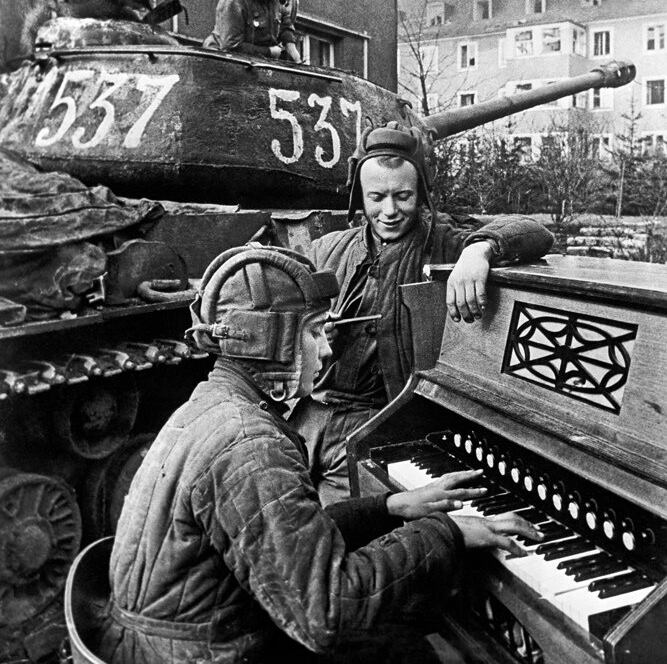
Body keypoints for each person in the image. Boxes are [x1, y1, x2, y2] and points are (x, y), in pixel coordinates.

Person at [98, 245, 543, 664]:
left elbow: (282, 532)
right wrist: (445, 532)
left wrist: (388, 507)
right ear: (269, 342)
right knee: (405, 648)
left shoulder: (214, 402)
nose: (328, 350)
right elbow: (327, 614)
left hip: (172, 637)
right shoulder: (251, 446)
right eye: (314, 332)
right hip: (200, 653)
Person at [289, 122, 555, 505]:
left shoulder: (444, 243)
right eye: (376, 197)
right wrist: (310, 330)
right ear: (359, 196)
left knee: (340, 527)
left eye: (403, 196)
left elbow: (535, 232)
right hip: (307, 419)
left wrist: (479, 250)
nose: (389, 211)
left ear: (422, 193)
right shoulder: (326, 250)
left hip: (379, 426)